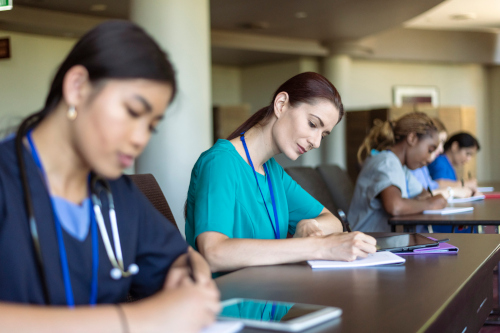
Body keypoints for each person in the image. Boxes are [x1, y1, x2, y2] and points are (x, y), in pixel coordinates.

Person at [0, 21, 219, 333]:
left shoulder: (117, 194)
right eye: (132, 112)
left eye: (151, 126)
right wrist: (139, 320)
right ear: (77, 87)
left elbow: (182, 258)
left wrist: (189, 279)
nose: (141, 138)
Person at [185, 72, 377, 275]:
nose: (316, 142)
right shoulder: (220, 162)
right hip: (231, 301)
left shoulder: (273, 173)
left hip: (272, 296)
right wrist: (319, 247)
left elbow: (334, 223)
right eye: (312, 124)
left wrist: (307, 224)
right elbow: (214, 253)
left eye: (323, 134)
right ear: (281, 104)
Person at [348, 112, 448, 232]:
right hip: (369, 243)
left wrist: (426, 201)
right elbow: (395, 206)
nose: (431, 158)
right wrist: (430, 204)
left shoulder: (401, 167)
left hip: (382, 241)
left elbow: (424, 194)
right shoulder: (387, 161)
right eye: (430, 150)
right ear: (412, 138)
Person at [410, 118, 472, 200]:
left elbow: (433, 187)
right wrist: (453, 191)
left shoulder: (422, 166)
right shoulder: (437, 162)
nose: (441, 149)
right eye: (440, 141)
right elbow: (420, 196)